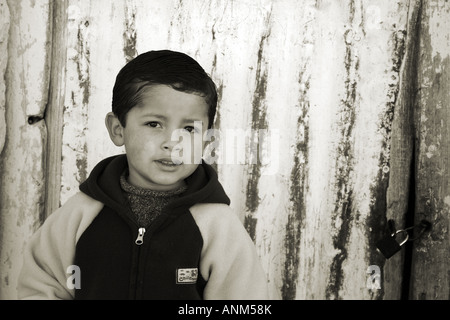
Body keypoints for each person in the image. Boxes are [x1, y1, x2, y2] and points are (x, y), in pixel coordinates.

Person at [17, 50, 270, 300]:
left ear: (205, 141)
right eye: (154, 124)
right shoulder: (82, 213)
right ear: (118, 129)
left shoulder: (218, 226)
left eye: (189, 129)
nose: (173, 143)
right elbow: (41, 283)